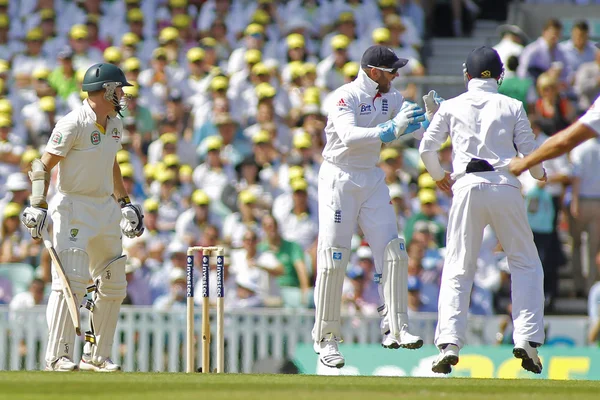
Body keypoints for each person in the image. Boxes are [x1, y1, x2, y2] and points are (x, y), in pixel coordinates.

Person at [420, 46, 546, 375]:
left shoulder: (450, 105)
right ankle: (527, 339)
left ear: (467, 75)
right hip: (504, 186)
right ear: (500, 76)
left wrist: (438, 178)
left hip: (465, 187)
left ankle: (449, 343)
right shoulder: (512, 104)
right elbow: (529, 152)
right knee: (525, 263)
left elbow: (426, 148)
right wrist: (540, 174)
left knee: (458, 268)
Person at [20, 63, 145, 372]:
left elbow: (111, 164)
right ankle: (58, 356)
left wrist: (125, 201)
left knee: (113, 283)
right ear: (104, 90)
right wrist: (37, 203)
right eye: (119, 89)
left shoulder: (114, 124)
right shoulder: (73, 123)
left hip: (105, 208)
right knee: (71, 281)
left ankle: (97, 356)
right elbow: (40, 166)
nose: (123, 94)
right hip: (73, 206)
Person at [313, 45, 429, 369]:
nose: (397, 75)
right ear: (374, 72)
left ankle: (395, 326)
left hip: (371, 177)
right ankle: (326, 339)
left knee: (394, 251)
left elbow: (412, 117)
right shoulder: (344, 97)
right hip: (339, 176)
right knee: (334, 257)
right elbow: (349, 135)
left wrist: (434, 113)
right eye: (392, 70)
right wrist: (388, 130)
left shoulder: (390, 96)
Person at [508, 44, 600, 177]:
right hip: (546, 151)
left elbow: (568, 139)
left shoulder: (563, 104)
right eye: (545, 88)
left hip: (557, 152)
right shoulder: (537, 106)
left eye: (551, 88)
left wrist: (524, 163)